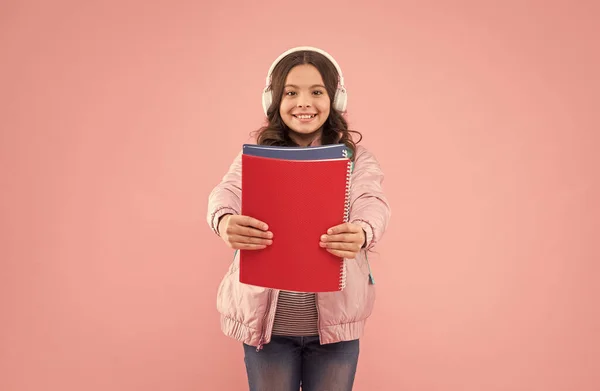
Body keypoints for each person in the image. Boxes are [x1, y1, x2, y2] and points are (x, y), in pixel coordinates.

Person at [207, 46, 391, 391]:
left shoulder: (358, 160)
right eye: (291, 92)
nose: (304, 102)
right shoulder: (255, 157)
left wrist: (363, 231)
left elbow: (372, 202)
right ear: (274, 101)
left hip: (336, 330)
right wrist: (223, 221)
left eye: (317, 92)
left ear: (334, 100)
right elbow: (225, 193)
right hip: (268, 331)